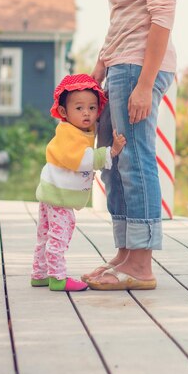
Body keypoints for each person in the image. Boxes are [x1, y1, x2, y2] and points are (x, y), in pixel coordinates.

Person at [81, 0, 180, 290]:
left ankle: (141, 265)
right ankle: (124, 252)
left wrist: (144, 83)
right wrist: (101, 63)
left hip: (142, 65)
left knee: (136, 161)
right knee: (115, 164)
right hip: (119, 62)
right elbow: (122, 14)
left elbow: (161, 19)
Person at [31, 73, 126, 292]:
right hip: (60, 196)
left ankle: (40, 273)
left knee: (45, 235)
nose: (87, 113)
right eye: (80, 108)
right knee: (59, 235)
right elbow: (80, 159)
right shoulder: (69, 134)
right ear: (64, 112)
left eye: (92, 108)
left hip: (52, 192)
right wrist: (111, 152)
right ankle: (57, 277)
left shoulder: (74, 130)